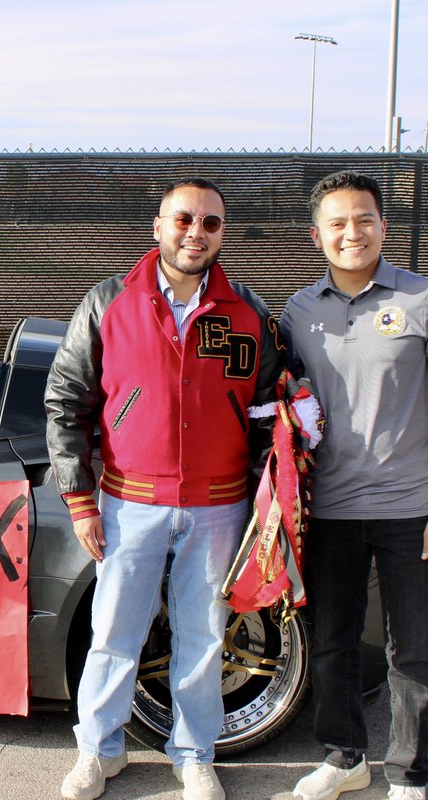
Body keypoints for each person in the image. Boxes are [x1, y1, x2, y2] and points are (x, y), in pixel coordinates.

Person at [46, 177, 282, 800]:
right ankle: (99, 750)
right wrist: (78, 498)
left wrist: (267, 505)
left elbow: (268, 412)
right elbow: (66, 400)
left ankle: (194, 754)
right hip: (129, 504)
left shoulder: (247, 313)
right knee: (114, 634)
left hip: (219, 508)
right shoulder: (108, 301)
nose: (195, 233)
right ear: (158, 226)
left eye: (210, 223)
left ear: (222, 235)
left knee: (205, 636)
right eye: (184, 219)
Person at [279, 171, 428, 800]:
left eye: (363, 219)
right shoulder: (298, 313)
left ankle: (409, 774)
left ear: (383, 226)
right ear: (317, 236)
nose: (351, 233)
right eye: (337, 223)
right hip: (329, 509)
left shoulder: (427, 301)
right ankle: (344, 758)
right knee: (332, 643)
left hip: (411, 508)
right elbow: (285, 414)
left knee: (412, 651)